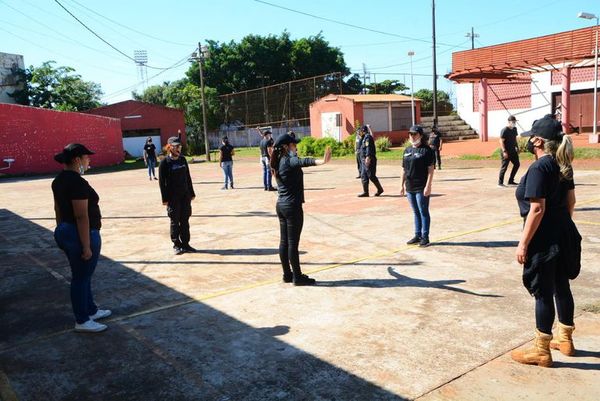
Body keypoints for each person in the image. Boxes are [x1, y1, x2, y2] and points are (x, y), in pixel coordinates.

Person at [511, 115, 580, 368]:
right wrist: (562, 226)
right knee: (562, 285)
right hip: (565, 232)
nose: (528, 140)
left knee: (543, 292)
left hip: (545, 237)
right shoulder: (563, 164)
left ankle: (541, 350)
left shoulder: (540, 167)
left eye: (531, 137)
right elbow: (571, 202)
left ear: (538, 140)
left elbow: (537, 209)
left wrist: (523, 243)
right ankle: (565, 339)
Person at [52, 143, 111, 333]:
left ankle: (90, 310)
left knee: (84, 275)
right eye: (87, 157)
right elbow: (81, 216)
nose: (89, 160)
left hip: (66, 231)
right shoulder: (77, 182)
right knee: (80, 277)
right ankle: (82, 319)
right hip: (80, 234)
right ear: (77, 160)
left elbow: (58, 210)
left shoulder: (59, 180)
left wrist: (61, 230)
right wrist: (86, 246)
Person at [270, 132, 332, 286]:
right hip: (292, 207)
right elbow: (302, 161)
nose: (295, 147)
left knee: (284, 242)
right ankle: (297, 277)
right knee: (292, 243)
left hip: (281, 205)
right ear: (286, 147)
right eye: (293, 144)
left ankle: (287, 274)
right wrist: (322, 161)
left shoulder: (277, 161)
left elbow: (298, 161)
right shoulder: (288, 160)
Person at [159, 136, 196, 255]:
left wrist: (191, 193)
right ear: (169, 147)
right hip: (172, 197)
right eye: (175, 146)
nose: (178, 148)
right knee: (175, 221)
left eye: (179, 146)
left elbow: (188, 177)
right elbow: (161, 183)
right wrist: (165, 199)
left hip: (185, 196)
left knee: (185, 220)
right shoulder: (164, 162)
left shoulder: (183, 160)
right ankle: (176, 244)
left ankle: (186, 243)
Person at [401, 125, 435, 247]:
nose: (412, 136)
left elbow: (431, 169)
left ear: (420, 135)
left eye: (414, 134)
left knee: (423, 211)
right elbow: (404, 169)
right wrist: (401, 185)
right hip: (410, 186)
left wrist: (428, 186)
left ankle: (425, 237)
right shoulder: (407, 150)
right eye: (410, 134)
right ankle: (417, 235)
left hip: (421, 186)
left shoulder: (427, 150)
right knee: (415, 212)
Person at [357, 125, 384, 197]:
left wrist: (368, 157)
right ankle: (366, 192)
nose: (359, 133)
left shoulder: (367, 137)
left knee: (371, 175)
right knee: (363, 175)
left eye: (360, 131)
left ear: (363, 131)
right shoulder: (362, 138)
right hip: (363, 160)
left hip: (369, 159)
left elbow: (368, 147)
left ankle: (380, 189)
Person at [499, 115, 520, 187]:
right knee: (504, 167)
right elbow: (501, 141)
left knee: (517, 164)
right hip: (506, 151)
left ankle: (511, 180)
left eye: (515, 122)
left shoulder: (515, 129)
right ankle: (500, 182)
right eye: (513, 122)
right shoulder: (504, 130)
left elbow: (515, 139)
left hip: (513, 151)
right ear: (509, 122)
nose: (514, 123)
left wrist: (517, 147)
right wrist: (504, 151)